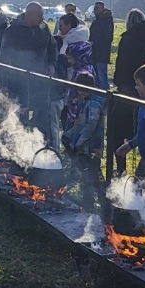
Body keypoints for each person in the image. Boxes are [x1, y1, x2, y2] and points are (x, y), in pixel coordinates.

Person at [108, 9, 145, 176]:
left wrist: (119, 83)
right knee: (144, 130)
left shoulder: (127, 40)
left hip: (127, 90)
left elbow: (122, 64)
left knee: (116, 131)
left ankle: (119, 168)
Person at [0, 2, 58, 135]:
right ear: (29, 15)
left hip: (41, 80)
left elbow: (53, 47)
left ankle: (42, 145)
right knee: (20, 113)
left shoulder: (43, 28)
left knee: (42, 114)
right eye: (39, 15)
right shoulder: (12, 31)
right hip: (18, 81)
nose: (42, 18)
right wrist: (5, 81)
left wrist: (52, 64)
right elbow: (4, 56)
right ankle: (18, 145)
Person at [62, 71, 107, 213]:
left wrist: (78, 144)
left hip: (92, 148)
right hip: (83, 147)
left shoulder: (93, 104)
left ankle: (95, 205)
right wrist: (68, 136)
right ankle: (93, 203)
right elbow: (79, 125)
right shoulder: (84, 102)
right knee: (87, 175)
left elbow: (89, 128)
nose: (78, 91)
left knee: (91, 177)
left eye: (80, 88)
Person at [89, 2, 114, 89]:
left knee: (102, 77)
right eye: (95, 8)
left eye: (98, 8)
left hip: (102, 53)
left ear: (103, 9)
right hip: (95, 52)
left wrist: (94, 42)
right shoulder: (96, 21)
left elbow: (107, 37)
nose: (96, 9)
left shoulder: (106, 20)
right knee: (97, 77)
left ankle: (106, 97)